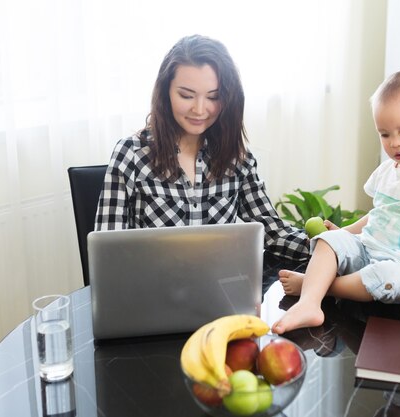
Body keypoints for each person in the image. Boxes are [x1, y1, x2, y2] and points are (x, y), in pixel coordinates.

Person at [272, 70, 400, 335]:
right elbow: (377, 216)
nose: (395, 143)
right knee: (328, 242)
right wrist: (343, 233)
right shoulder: (388, 171)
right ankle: (310, 303)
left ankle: (316, 286)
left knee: (386, 277)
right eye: (385, 134)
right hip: (368, 253)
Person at [94, 34, 309, 260]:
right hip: (150, 291)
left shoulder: (238, 159)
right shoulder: (131, 155)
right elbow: (106, 253)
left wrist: (332, 244)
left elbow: (273, 235)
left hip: (217, 290)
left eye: (213, 97)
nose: (199, 109)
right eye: (186, 95)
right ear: (166, 93)